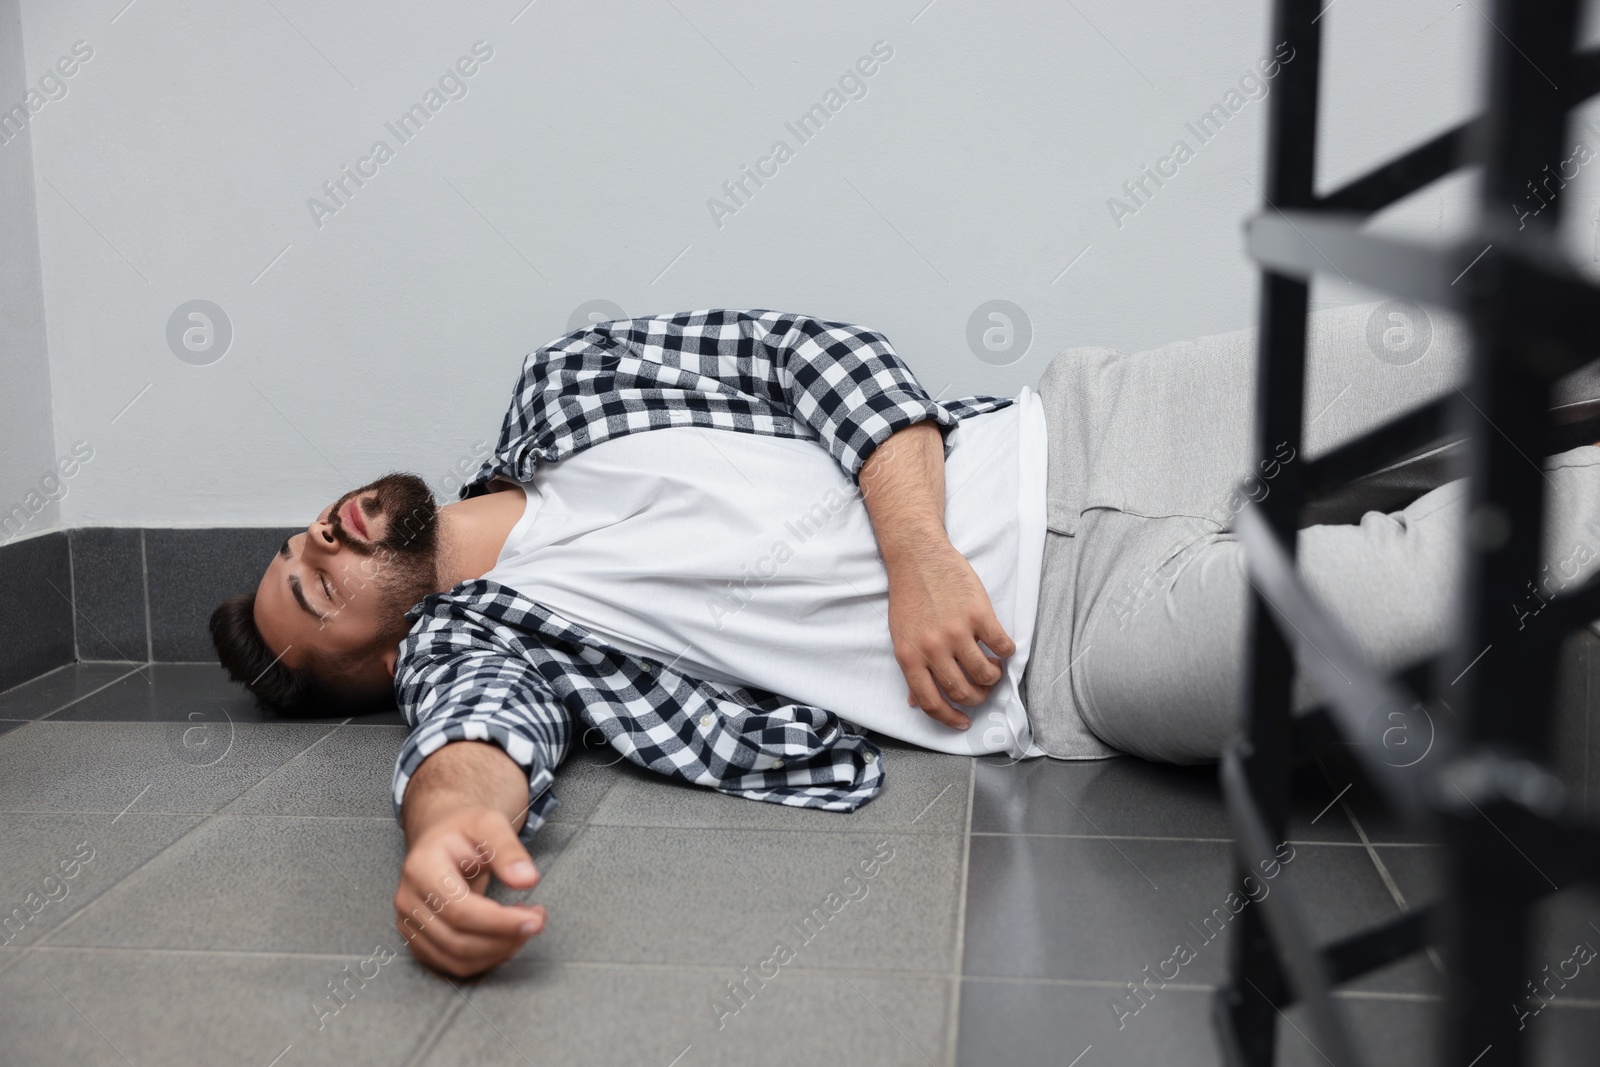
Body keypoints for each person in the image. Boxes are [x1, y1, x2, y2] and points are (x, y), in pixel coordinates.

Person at [209, 305, 1600, 978]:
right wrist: (444, 838)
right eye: (313, 598)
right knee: (1429, 590)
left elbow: (827, 356)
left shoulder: (570, 381)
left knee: (1489, 338)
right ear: (388, 664)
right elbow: (472, 752)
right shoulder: (492, 652)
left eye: (300, 546)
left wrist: (919, 555)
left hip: (1092, 429)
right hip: (1071, 659)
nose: (319, 547)